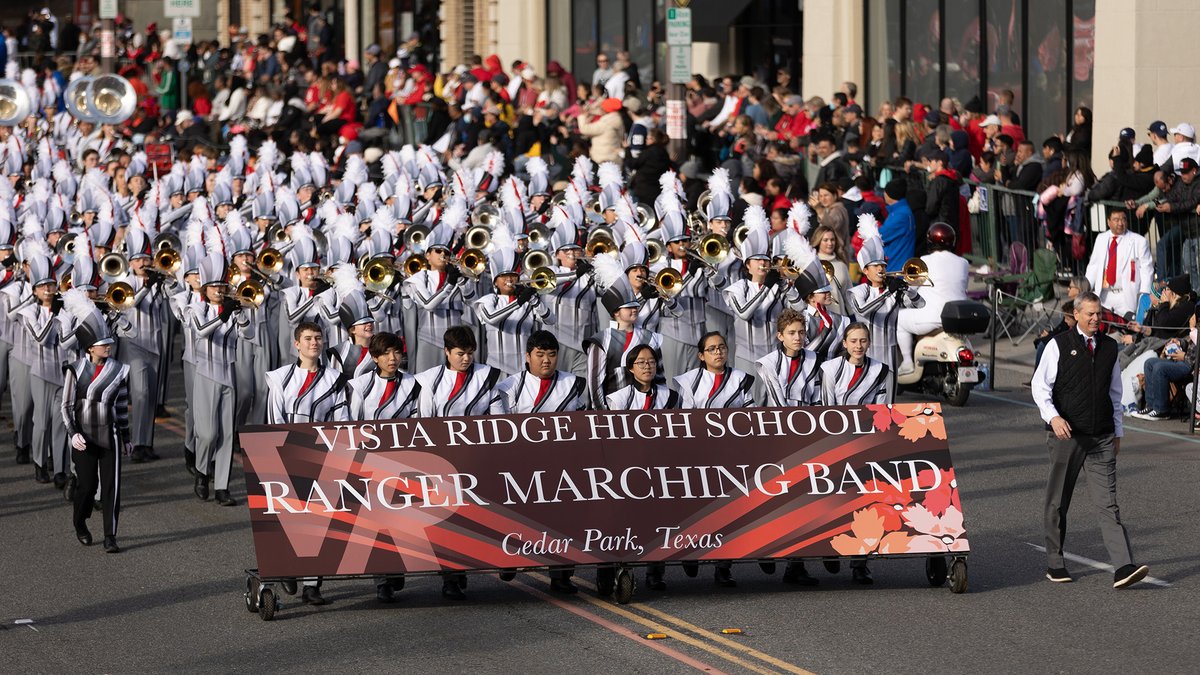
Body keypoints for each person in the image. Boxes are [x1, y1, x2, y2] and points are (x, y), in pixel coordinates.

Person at [1030, 293, 1151, 589]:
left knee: (1108, 504)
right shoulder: (1058, 345)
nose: (1096, 319)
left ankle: (1123, 566)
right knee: (1058, 500)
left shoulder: (1109, 347)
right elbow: (1039, 386)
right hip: (1067, 435)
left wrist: (1117, 432)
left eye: (1099, 314)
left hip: (1101, 436)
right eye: (1090, 314)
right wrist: (1054, 418)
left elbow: (1115, 393)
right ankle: (1055, 562)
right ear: (1076, 314)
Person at [414, 325, 506, 600]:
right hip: (442, 460)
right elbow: (424, 421)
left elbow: (498, 419)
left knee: (480, 518)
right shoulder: (429, 380)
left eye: (469, 353)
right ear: (446, 351)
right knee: (448, 521)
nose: (466, 359)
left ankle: (502, 562)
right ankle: (452, 576)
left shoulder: (487, 376)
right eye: (459, 354)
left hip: (478, 458)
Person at [264, 321, 352, 606]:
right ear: (296, 344)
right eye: (308, 338)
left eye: (318, 338)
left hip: (322, 457)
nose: (314, 343)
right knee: (290, 518)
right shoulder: (280, 378)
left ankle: (312, 585)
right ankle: (288, 566)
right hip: (288, 455)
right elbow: (274, 419)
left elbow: (342, 420)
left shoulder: (335, 379)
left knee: (319, 522)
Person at [347, 331, 420, 603]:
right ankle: (383, 581)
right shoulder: (360, 385)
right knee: (377, 522)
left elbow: (419, 420)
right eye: (386, 353)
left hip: (404, 461)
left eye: (396, 352)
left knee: (402, 521)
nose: (392, 358)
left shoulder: (413, 384)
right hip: (371, 462)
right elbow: (351, 423)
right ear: (375, 357)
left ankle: (396, 568)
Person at [60, 289, 131, 553]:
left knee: (111, 487)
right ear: (90, 347)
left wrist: (126, 437)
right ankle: (80, 522)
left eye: (109, 343)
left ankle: (110, 536)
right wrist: (73, 433)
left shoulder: (118, 369)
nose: (108, 346)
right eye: (103, 344)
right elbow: (66, 406)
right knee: (87, 487)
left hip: (109, 435)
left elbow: (121, 405)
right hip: (84, 436)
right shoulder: (76, 369)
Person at [848, 216, 924, 380]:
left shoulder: (893, 292)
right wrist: (888, 292)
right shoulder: (858, 291)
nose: (881, 269)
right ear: (865, 270)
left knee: (889, 395)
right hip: (866, 354)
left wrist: (909, 289)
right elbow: (862, 310)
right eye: (876, 266)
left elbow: (920, 305)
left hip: (891, 354)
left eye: (883, 265)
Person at [896, 223, 969, 375]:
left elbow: (911, 287)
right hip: (958, 317)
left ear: (930, 241)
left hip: (932, 317)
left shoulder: (924, 261)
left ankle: (907, 362)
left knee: (898, 319)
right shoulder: (963, 263)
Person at [1084, 210, 1153, 320]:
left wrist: (1144, 294)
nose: (1120, 223)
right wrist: (1085, 287)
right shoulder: (1101, 238)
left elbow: (1146, 269)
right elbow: (1094, 266)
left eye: (1123, 219)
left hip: (1125, 295)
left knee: (1126, 325)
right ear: (1108, 222)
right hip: (1104, 294)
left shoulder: (1139, 241)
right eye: (1116, 220)